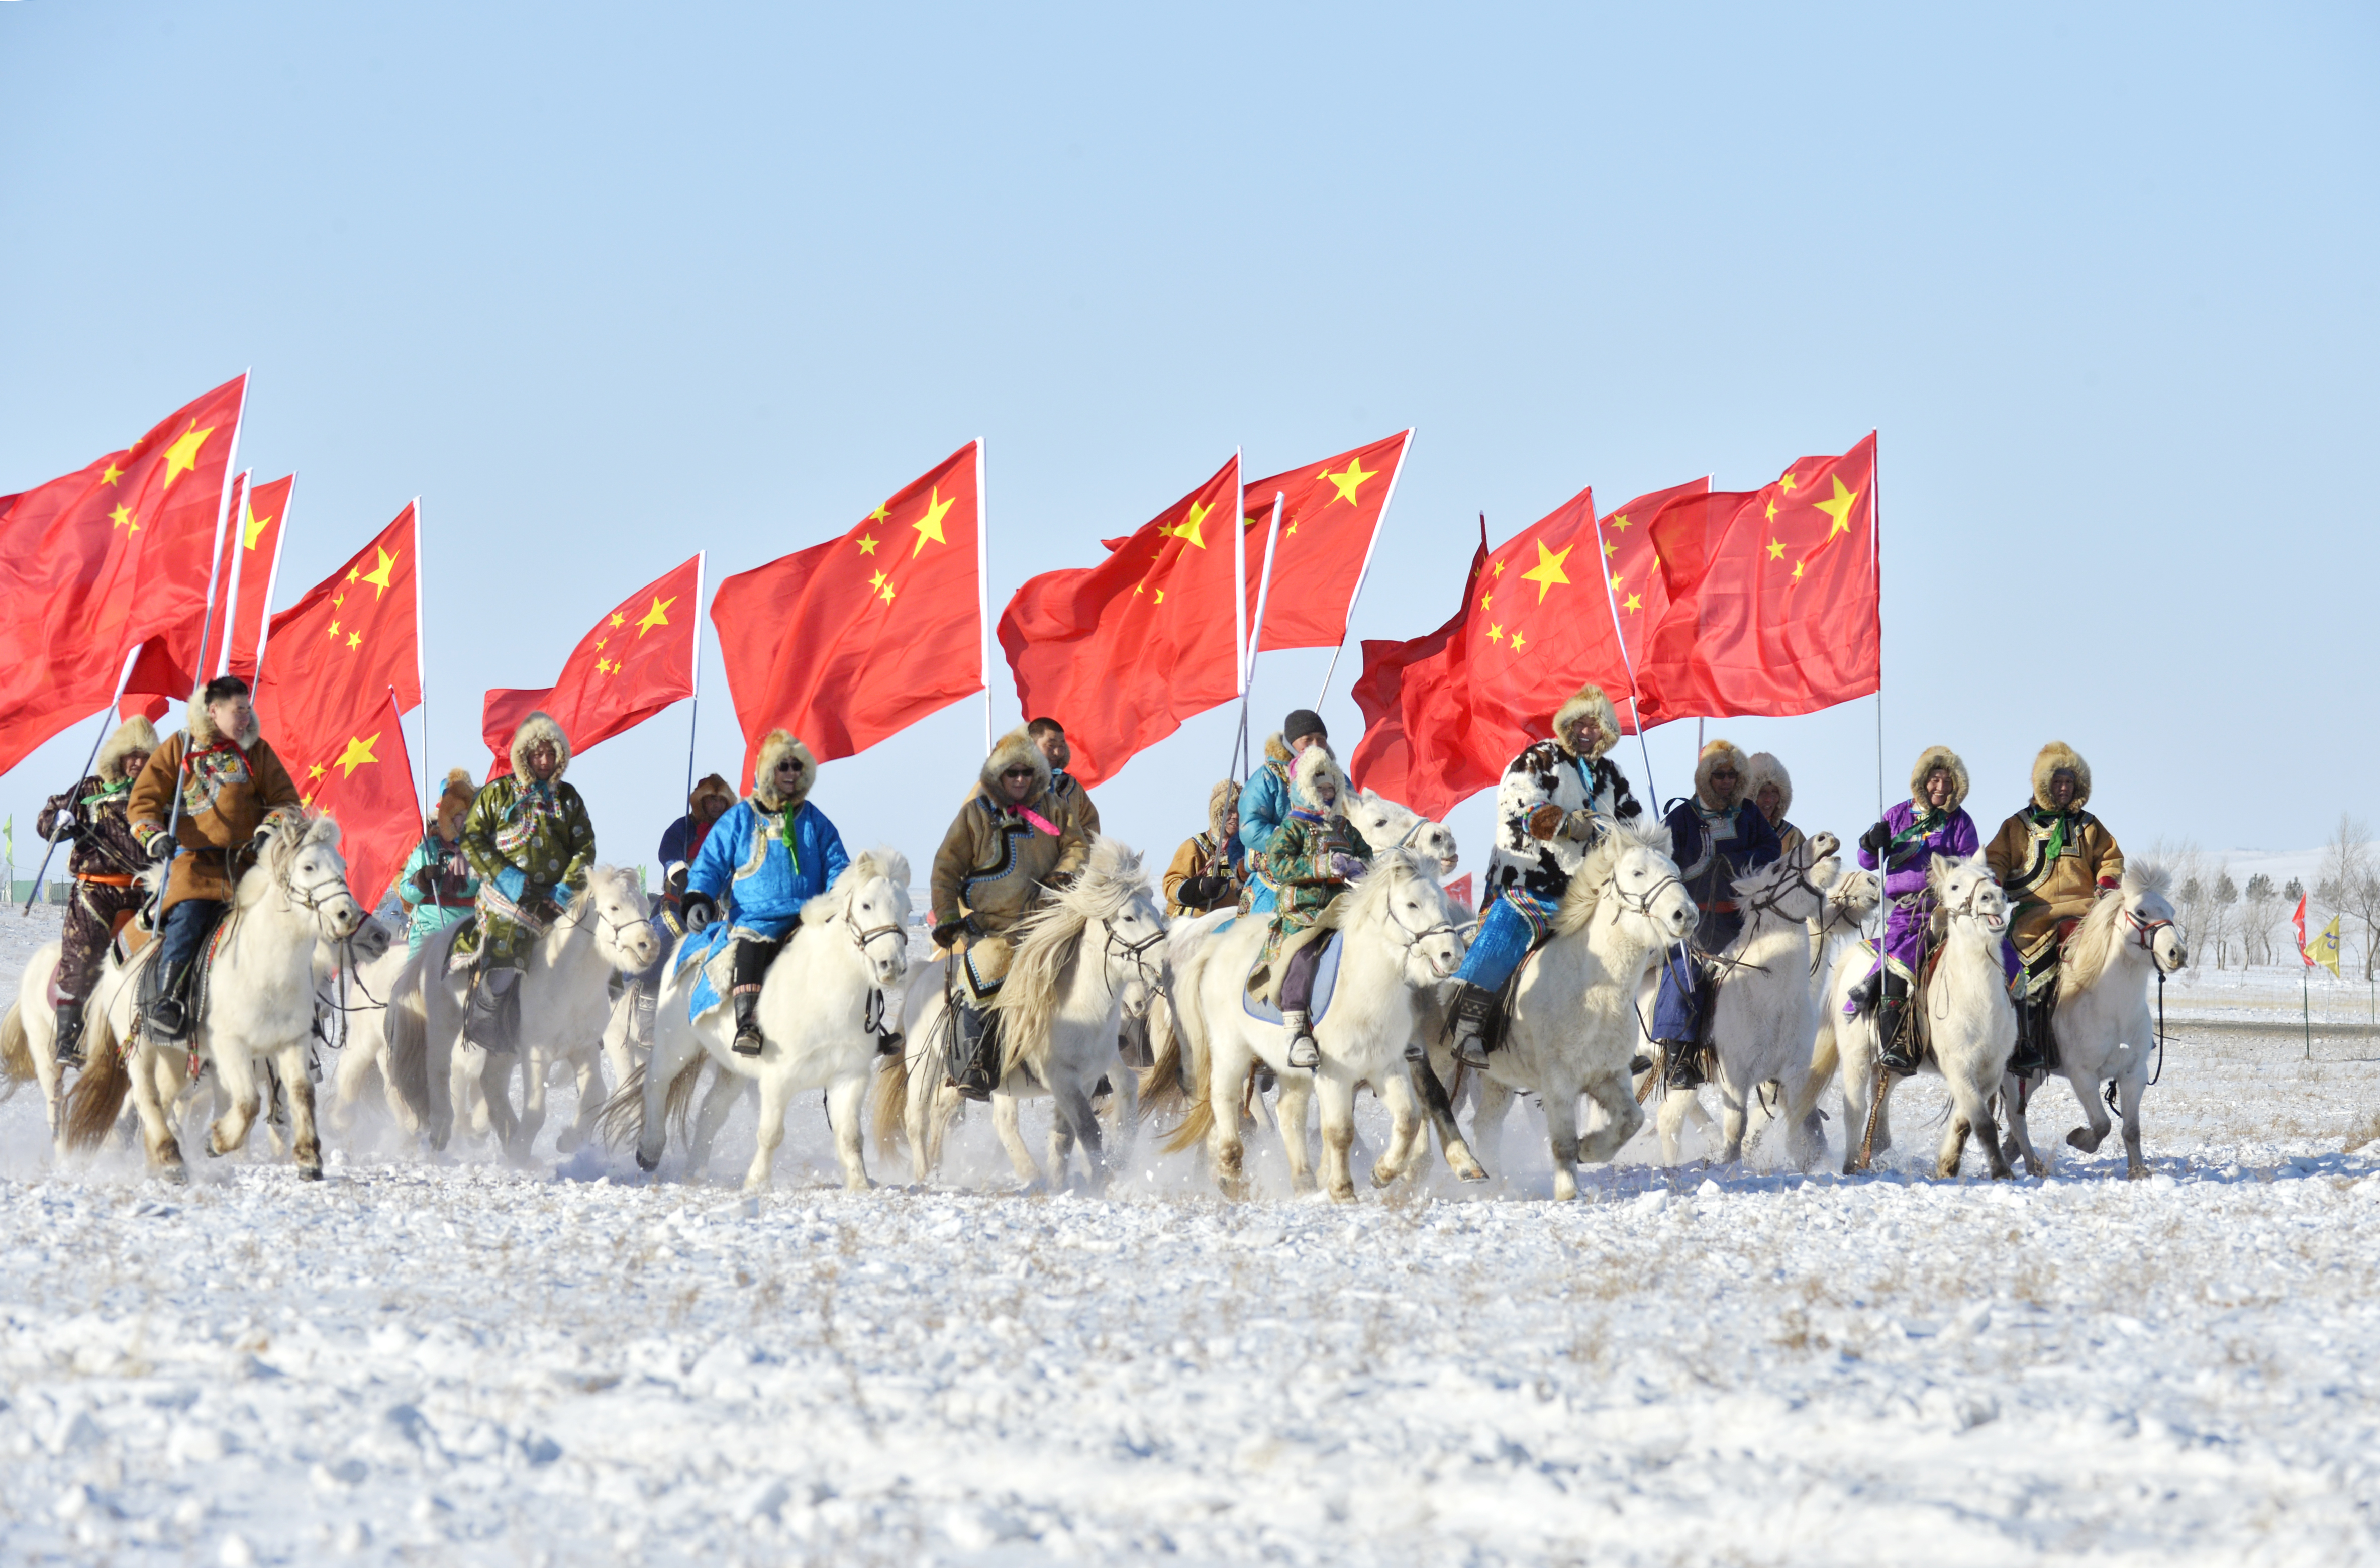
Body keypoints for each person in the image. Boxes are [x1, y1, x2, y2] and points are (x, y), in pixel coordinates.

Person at [1447, 684, 1641, 1066]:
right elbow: (1519, 804)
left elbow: (1631, 820)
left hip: (1585, 890)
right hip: (1527, 879)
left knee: (1618, 944)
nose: (1588, 732)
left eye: (1596, 726)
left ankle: (1610, 1035)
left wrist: (1619, 839)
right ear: (1567, 726)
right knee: (1508, 927)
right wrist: (1567, 824)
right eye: (1581, 724)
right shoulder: (1538, 759)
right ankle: (1468, 1025)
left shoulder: (1612, 775)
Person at [126, 677, 304, 1043]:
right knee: (189, 919)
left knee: (283, 926)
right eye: (237, 710)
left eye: (247, 709)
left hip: (247, 870)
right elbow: (142, 801)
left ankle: (296, 1014)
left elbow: (287, 800)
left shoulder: (257, 751)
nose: (245, 717)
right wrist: (155, 836)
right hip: (195, 868)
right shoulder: (179, 747)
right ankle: (169, 1001)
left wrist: (270, 827)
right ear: (213, 710)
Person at [930, 726, 1092, 1099]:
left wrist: (1063, 874)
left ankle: (1091, 1059)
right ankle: (977, 1063)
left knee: (1087, 971)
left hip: (1049, 922)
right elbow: (946, 869)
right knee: (986, 972)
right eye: (1011, 773)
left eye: (1026, 772)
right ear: (998, 776)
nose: (1020, 780)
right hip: (994, 927)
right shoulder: (975, 814)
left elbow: (1077, 846)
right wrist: (947, 916)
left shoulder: (1055, 808)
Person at [677, 730, 849, 1056]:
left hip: (806, 916)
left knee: (843, 955)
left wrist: (841, 897)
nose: (790, 774)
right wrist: (699, 895)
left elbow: (837, 864)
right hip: (755, 917)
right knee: (751, 949)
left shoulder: (814, 820)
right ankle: (749, 1024)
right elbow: (711, 861)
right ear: (769, 770)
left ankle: (856, 1025)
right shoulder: (741, 818)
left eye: (796, 767)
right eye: (783, 766)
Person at [1852, 745, 2016, 1077]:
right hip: (1905, 911)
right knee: (1901, 962)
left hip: (1947, 909)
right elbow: (1868, 862)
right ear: (1922, 782)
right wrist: (1871, 842)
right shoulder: (1897, 816)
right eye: (1935, 780)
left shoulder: (1959, 821)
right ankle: (1897, 1041)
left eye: (1948, 781)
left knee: (2006, 957)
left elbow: (1971, 863)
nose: (1941, 787)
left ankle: (2014, 1038)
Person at [455, 711, 596, 1054]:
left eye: (551, 753)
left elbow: (585, 848)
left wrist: (564, 891)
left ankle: (589, 1022)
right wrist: (509, 879)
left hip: (558, 899)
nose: (545, 761)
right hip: (507, 900)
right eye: (537, 754)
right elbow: (472, 839)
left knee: (595, 945)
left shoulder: (569, 798)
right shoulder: (497, 794)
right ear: (524, 756)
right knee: (508, 950)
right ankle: (486, 1013)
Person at [1650, 738, 1783, 1088]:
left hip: (1743, 920)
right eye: (1719, 775)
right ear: (1705, 778)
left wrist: (1735, 863)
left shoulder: (1750, 814)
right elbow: (1662, 863)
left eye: (1732, 775)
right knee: (1685, 974)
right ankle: (1679, 1058)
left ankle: (1779, 1052)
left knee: (1776, 971)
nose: (1725, 782)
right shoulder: (1681, 818)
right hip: (1698, 922)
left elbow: (1772, 848)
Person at [1985, 741, 2124, 1074]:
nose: (2064, 789)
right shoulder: (2018, 825)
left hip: (2085, 914)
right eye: (2058, 782)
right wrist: (1993, 884)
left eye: (2070, 783)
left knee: (2116, 961)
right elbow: (1997, 860)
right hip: (2035, 917)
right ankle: (2024, 1042)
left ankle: (2121, 1035)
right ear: (2044, 785)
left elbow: (2111, 858)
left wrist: (2107, 883)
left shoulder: (2089, 825)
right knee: (2023, 976)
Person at [36, 714, 157, 1064]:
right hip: (95, 892)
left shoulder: (160, 793)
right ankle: (68, 1040)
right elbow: (46, 821)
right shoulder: (90, 789)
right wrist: (58, 822)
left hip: (144, 892)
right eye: (132, 755)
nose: (138, 763)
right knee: (83, 953)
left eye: (145, 756)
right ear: (118, 757)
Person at [1254, 745, 1373, 1070]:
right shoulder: (1292, 828)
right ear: (1305, 789)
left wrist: (1361, 867)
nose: (1327, 793)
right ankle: (1297, 1033)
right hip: (1305, 913)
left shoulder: (1345, 828)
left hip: (1345, 909)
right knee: (1304, 959)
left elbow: (1367, 855)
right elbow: (1278, 864)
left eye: (1331, 787)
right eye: (1319, 787)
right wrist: (1321, 866)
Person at [1238, 707, 1330, 915]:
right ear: (1291, 743)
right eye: (1308, 740)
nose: (1316, 746)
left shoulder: (1335, 778)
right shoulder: (1267, 778)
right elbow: (1250, 827)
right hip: (1274, 877)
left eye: (1321, 739)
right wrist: (1292, 840)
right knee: (1258, 937)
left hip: (1328, 873)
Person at [396, 769, 480, 955]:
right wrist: (422, 880)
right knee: (417, 979)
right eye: (459, 815)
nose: (465, 820)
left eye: (469, 814)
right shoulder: (427, 850)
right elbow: (406, 892)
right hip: (429, 931)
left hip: (470, 933)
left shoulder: (481, 851)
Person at [1164, 779, 1247, 918]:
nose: (1236, 816)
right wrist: (1199, 888)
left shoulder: (1250, 849)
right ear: (1217, 815)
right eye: (1229, 811)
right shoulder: (1195, 847)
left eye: (1240, 811)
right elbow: (1171, 885)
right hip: (1197, 924)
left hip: (1237, 924)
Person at [657, 772, 736, 919]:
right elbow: (668, 851)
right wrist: (680, 874)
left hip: (718, 910)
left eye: (721, 800)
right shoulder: (684, 827)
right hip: (677, 907)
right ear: (701, 801)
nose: (717, 805)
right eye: (713, 799)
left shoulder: (732, 834)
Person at [1027, 717, 1102, 841]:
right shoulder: (1013, 781)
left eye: (1062, 746)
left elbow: (1090, 826)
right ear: (1031, 744)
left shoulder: (1071, 787)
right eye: (1051, 745)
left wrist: (1080, 854)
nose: (1057, 752)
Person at [1745, 752, 1804, 859]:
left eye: (1774, 792)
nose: (1769, 799)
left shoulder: (1792, 835)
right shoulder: (1736, 830)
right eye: (1763, 792)